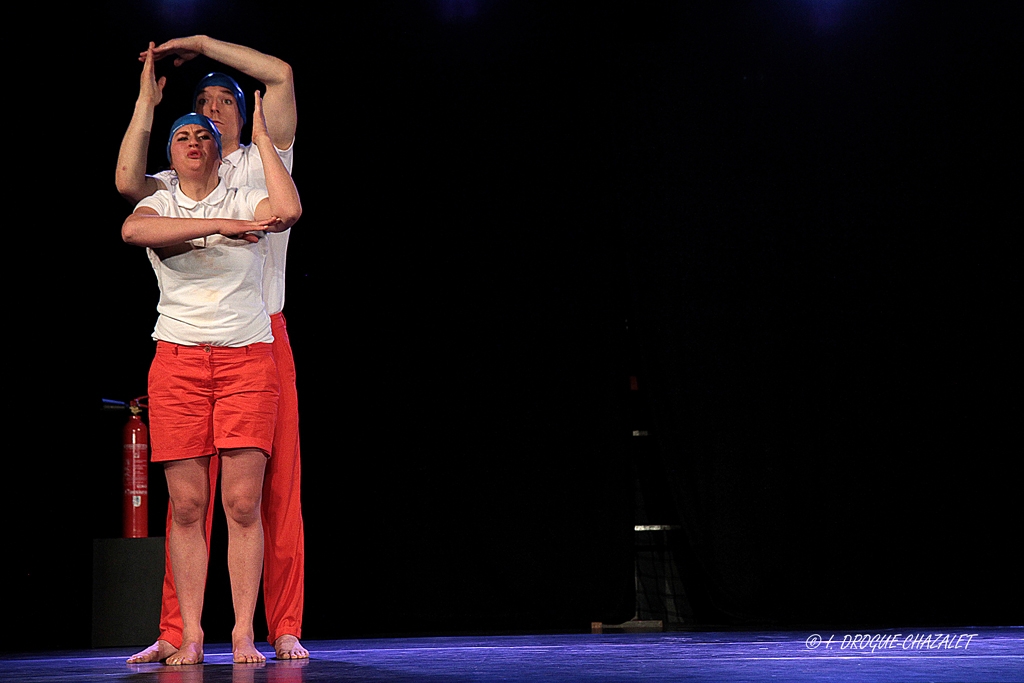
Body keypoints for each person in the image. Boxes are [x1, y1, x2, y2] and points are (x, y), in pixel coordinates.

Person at [116, 36, 308, 662]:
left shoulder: (259, 159)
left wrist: (199, 42)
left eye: (223, 101)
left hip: (258, 331)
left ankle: (275, 625)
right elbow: (127, 194)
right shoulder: (169, 184)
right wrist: (148, 100)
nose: (211, 115)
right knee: (189, 501)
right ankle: (181, 630)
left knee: (261, 497)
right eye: (200, 105)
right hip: (185, 348)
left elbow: (278, 75)